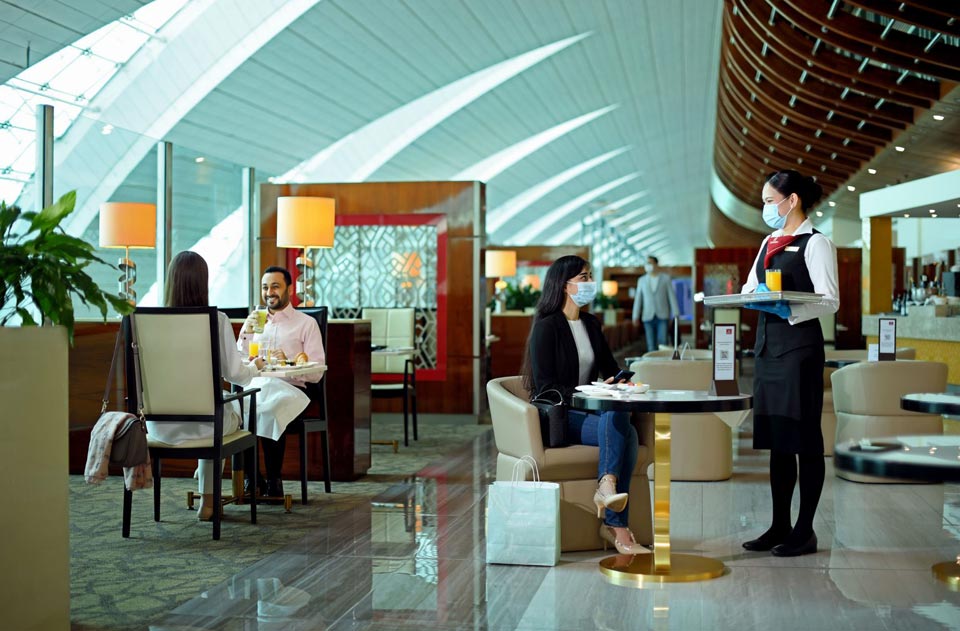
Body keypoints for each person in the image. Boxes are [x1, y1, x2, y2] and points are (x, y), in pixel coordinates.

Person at [740, 170, 839, 557]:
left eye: (770, 201)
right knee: (778, 442)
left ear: (792, 200)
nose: (766, 208)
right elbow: (750, 288)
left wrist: (789, 307)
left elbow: (829, 299)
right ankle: (779, 524)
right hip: (768, 351)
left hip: (799, 352)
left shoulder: (816, 243)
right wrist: (758, 296)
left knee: (805, 440)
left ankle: (805, 530)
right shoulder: (768, 242)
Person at [521, 255, 645, 554]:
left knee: (620, 416)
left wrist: (620, 381)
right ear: (565, 286)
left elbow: (609, 368)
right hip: (561, 415)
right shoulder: (547, 327)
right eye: (584, 277)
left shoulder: (590, 323)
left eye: (591, 276)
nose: (591, 283)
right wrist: (589, 391)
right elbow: (546, 386)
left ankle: (607, 488)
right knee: (626, 433)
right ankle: (616, 525)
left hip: (591, 411)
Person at [157, 251, 265, 521]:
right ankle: (208, 501)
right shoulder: (216, 321)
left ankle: (206, 488)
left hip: (159, 426)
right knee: (225, 412)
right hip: (205, 425)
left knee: (213, 411)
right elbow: (236, 375)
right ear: (203, 282)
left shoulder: (149, 322)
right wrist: (255, 367)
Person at [237, 266, 325, 500]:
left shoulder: (306, 323)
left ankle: (274, 482)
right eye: (265, 287)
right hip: (257, 385)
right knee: (236, 412)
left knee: (268, 410)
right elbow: (239, 360)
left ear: (290, 289)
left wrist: (287, 362)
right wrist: (245, 333)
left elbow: (317, 370)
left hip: (292, 389)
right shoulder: (256, 321)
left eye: (275, 286)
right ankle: (252, 479)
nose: (269, 293)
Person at [631, 255, 678, 351]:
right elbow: (638, 299)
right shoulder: (642, 280)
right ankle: (651, 360)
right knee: (651, 344)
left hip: (662, 315)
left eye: (650, 263)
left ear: (656, 264)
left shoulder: (665, 279)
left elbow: (671, 297)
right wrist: (635, 316)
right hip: (647, 316)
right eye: (647, 263)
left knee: (663, 342)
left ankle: (663, 360)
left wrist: (676, 313)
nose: (648, 265)